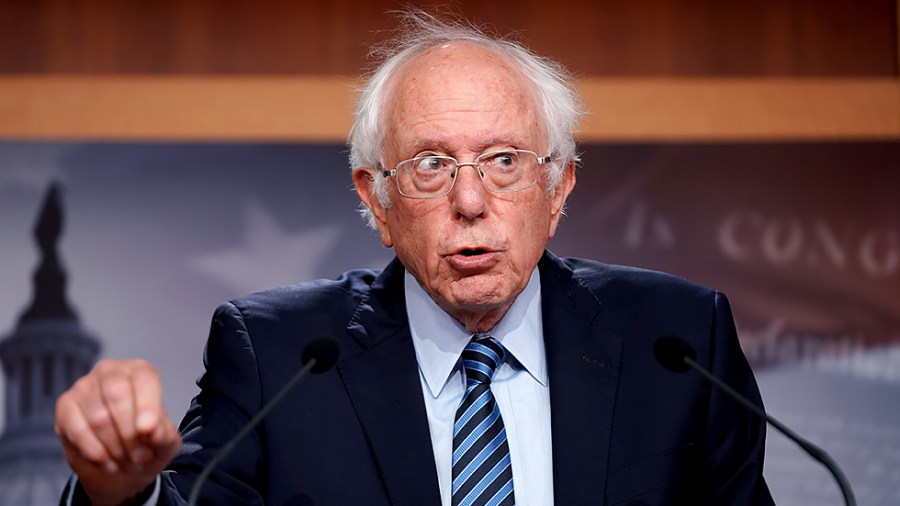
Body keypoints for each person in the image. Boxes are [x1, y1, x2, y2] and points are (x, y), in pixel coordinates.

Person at [55, 10, 775, 506]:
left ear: (557, 190)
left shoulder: (678, 342)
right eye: (432, 165)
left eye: (503, 161)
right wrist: (117, 494)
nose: (471, 200)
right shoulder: (278, 354)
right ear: (376, 201)